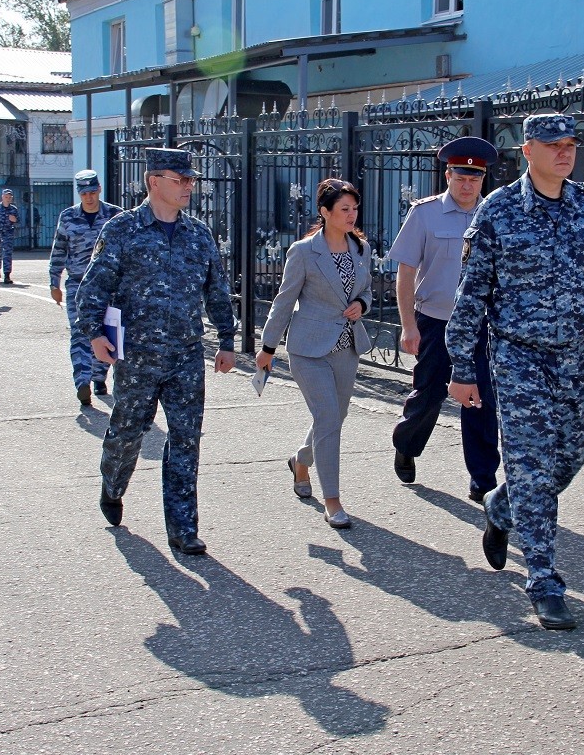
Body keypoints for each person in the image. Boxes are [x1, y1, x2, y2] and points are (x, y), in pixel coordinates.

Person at [445, 113, 584, 631]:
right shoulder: (497, 213)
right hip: (519, 357)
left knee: (570, 458)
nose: (564, 152)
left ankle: (501, 506)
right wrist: (462, 366)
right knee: (533, 467)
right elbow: (471, 297)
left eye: (570, 144)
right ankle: (542, 579)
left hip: (575, 356)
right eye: (552, 144)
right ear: (527, 150)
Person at [76, 148, 236, 555]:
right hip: (137, 356)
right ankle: (112, 483)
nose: (189, 187)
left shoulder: (198, 235)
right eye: (180, 180)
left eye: (191, 180)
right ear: (153, 182)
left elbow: (216, 291)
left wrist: (227, 340)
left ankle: (183, 529)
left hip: (185, 355)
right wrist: (95, 334)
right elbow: (93, 287)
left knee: (185, 440)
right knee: (128, 433)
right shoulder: (122, 230)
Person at [255, 178, 373, 530]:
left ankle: (300, 460)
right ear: (325, 212)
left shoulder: (360, 248)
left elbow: (365, 288)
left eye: (354, 209)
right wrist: (267, 348)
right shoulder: (303, 252)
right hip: (308, 350)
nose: (352, 215)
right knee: (327, 419)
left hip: (346, 347)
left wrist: (361, 304)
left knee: (334, 419)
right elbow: (284, 300)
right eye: (344, 209)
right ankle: (333, 500)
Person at [388, 136, 501, 503]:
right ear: (448, 175)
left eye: (476, 178)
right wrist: (408, 324)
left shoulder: (495, 215)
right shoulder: (425, 213)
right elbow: (406, 272)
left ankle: (482, 478)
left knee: (480, 399)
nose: (468, 185)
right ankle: (406, 443)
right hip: (436, 320)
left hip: (482, 326)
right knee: (430, 394)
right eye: (461, 177)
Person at [49, 170, 124, 407]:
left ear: (99, 189)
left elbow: (128, 251)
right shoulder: (68, 217)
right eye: (84, 193)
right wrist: (54, 281)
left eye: (92, 192)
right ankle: (82, 381)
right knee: (80, 333)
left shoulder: (115, 215)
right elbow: (59, 250)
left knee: (106, 333)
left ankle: (99, 377)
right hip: (78, 286)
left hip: (109, 287)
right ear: (78, 193)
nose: (89, 197)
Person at [0, 189, 21, 283]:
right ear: (2, 197)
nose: (8, 199)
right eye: (6, 197)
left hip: (8, 234)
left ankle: (7, 275)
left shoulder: (13, 209)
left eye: (9, 197)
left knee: (7, 254)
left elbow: (19, 221)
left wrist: (15, 220)